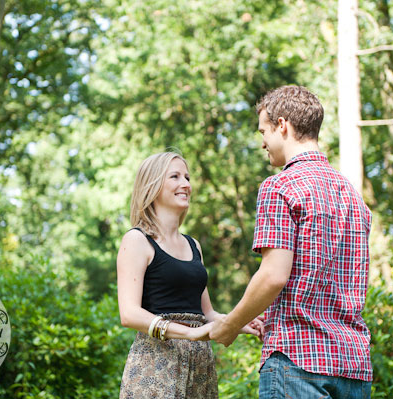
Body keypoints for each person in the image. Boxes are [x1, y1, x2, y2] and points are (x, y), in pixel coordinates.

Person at [209, 86, 373, 398]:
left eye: (264, 131)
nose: (262, 143)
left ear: (282, 126)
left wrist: (230, 325)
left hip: (297, 361)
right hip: (353, 366)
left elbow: (273, 276)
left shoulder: (280, 186)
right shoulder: (352, 194)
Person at [117, 151, 261, 399]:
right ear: (152, 185)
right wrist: (190, 333)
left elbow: (206, 314)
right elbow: (129, 314)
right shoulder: (137, 240)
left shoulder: (193, 245)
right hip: (156, 363)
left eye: (187, 177)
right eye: (174, 176)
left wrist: (238, 322)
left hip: (199, 364)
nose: (186, 184)